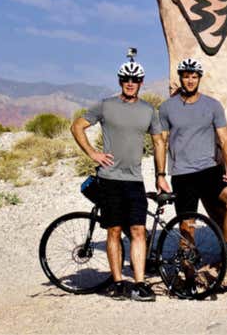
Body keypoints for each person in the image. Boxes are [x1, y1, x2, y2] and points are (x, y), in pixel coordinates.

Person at [71, 53, 163, 301]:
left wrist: (161, 175)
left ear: (141, 82)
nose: (130, 83)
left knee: (138, 230)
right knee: (113, 230)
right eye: (126, 79)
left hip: (134, 180)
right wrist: (92, 153)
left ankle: (140, 283)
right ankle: (119, 282)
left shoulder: (148, 111)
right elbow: (76, 126)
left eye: (135, 79)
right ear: (120, 80)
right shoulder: (106, 105)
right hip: (109, 178)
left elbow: (158, 141)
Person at [155, 58, 227, 273]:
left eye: (194, 76)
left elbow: (225, 139)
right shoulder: (167, 108)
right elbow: (161, 142)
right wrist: (160, 174)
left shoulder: (212, 105)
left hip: (209, 169)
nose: (190, 80)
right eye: (186, 76)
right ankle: (187, 275)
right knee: (187, 227)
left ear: (199, 79)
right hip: (183, 174)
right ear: (181, 78)